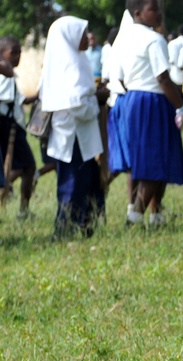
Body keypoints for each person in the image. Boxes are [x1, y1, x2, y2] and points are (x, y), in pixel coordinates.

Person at [115, 0, 183, 228]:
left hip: (133, 99)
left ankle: (154, 213)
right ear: (138, 13)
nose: (159, 14)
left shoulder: (123, 38)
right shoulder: (153, 39)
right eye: (154, 9)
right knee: (154, 159)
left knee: (149, 158)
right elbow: (163, 79)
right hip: (153, 100)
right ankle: (135, 217)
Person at [40, 16, 109, 239]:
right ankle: (64, 229)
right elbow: (76, 104)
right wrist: (97, 100)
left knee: (85, 180)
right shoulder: (70, 64)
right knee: (72, 183)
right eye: (82, 32)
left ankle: (83, 225)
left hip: (77, 134)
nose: (87, 37)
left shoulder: (75, 59)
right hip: (73, 136)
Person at [0, 36, 38, 218]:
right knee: (28, 166)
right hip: (7, 126)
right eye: (13, 52)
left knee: (24, 167)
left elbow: (18, 100)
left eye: (19, 52)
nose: (17, 56)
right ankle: (22, 209)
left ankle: (20, 204)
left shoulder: (10, 75)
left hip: (11, 124)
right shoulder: (4, 75)